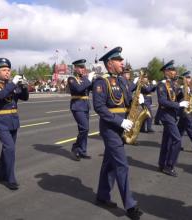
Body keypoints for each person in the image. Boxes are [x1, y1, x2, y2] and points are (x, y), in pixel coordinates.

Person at [93, 47, 143, 220]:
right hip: (110, 128)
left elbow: (129, 99)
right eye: (118, 60)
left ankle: (102, 196)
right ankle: (130, 206)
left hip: (123, 126)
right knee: (122, 165)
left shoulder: (121, 81)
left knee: (109, 164)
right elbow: (99, 107)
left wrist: (138, 99)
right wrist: (120, 121)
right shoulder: (101, 82)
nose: (122, 62)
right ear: (109, 63)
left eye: (121, 60)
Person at [0, 58, 29, 190]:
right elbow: (0, 96)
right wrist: (14, 84)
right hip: (1, 122)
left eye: (9, 70)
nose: (7, 72)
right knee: (10, 148)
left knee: (7, 149)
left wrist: (23, 86)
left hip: (13, 120)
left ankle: (2, 174)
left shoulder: (12, 84)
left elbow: (24, 98)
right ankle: (11, 179)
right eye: (4, 70)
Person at [157, 60, 189, 177]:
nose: (175, 72)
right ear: (166, 71)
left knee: (167, 141)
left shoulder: (172, 84)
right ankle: (169, 166)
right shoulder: (162, 84)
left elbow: (177, 97)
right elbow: (162, 101)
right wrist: (178, 105)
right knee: (177, 140)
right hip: (166, 115)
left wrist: (185, 93)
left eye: (174, 70)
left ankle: (162, 164)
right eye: (172, 70)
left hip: (172, 115)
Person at [68, 59, 94, 161]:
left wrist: (95, 79)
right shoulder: (71, 78)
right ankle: (75, 147)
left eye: (84, 67)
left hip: (85, 105)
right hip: (77, 106)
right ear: (75, 68)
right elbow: (79, 88)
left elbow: (91, 87)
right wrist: (88, 79)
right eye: (81, 67)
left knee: (84, 130)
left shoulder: (84, 78)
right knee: (85, 128)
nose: (83, 69)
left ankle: (82, 151)